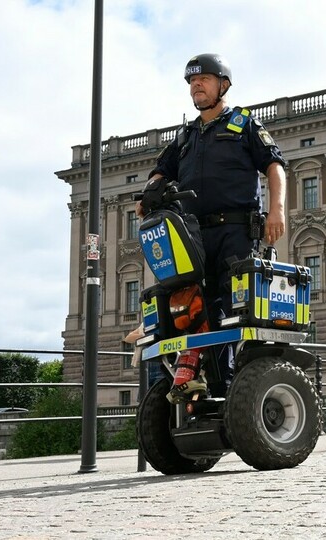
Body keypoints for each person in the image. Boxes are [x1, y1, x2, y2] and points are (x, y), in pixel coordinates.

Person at [137, 53, 288, 401]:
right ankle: (199, 378)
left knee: (232, 308)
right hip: (192, 234)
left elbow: (274, 167)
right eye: (191, 82)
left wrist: (276, 210)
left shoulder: (243, 124)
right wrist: (152, 189)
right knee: (192, 306)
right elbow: (162, 169)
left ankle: (234, 382)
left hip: (235, 231)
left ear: (223, 84)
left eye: (202, 79)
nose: (196, 87)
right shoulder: (186, 136)